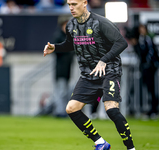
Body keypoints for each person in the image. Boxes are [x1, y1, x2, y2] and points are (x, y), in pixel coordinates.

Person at [43, 0, 136, 150]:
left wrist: (103, 60)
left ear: (85, 3)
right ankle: (100, 142)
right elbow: (70, 44)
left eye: (74, 4)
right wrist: (56, 47)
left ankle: (131, 148)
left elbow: (121, 43)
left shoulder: (101, 22)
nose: (71, 8)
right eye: (69, 4)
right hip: (88, 75)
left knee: (111, 110)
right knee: (71, 108)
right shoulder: (71, 25)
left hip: (109, 72)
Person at [132, 24, 159, 119]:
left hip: (151, 67)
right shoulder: (141, 40)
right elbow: (140, 53)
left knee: (152, 88)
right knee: (147, 88)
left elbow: (152, 52)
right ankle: (151, 109)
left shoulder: (149, 39)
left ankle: (153, 110)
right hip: (145, 67)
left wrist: (153, 63)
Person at [52, 15, 74, 117]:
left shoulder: (69, 37)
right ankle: (59, 111)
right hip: (61, 69)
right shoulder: (58, 36)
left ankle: (64, 110)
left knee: (65, 91)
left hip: (68, 69)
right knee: (60, 91)